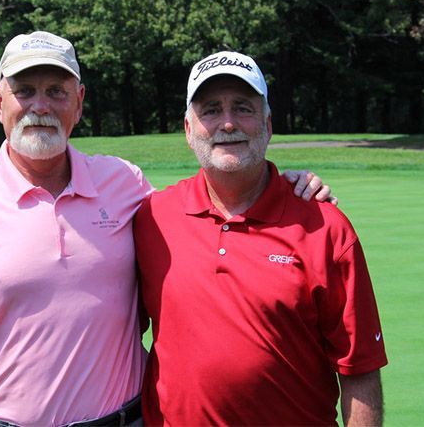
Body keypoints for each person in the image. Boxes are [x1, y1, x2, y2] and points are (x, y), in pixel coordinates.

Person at [0, 31, 333, 427]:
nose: (41, 106)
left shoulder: (125, 185)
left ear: (79, 103)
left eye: (57, 92)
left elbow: (212, 203)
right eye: (25, 91)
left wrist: (281, 181)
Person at [134, 51, 388, 426]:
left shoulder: (325, 227)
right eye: (210, 110)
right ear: (189, 130)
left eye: (243, 108)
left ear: (268, 125)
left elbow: (359, 368)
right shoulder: (152, 218)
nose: (228, 123)